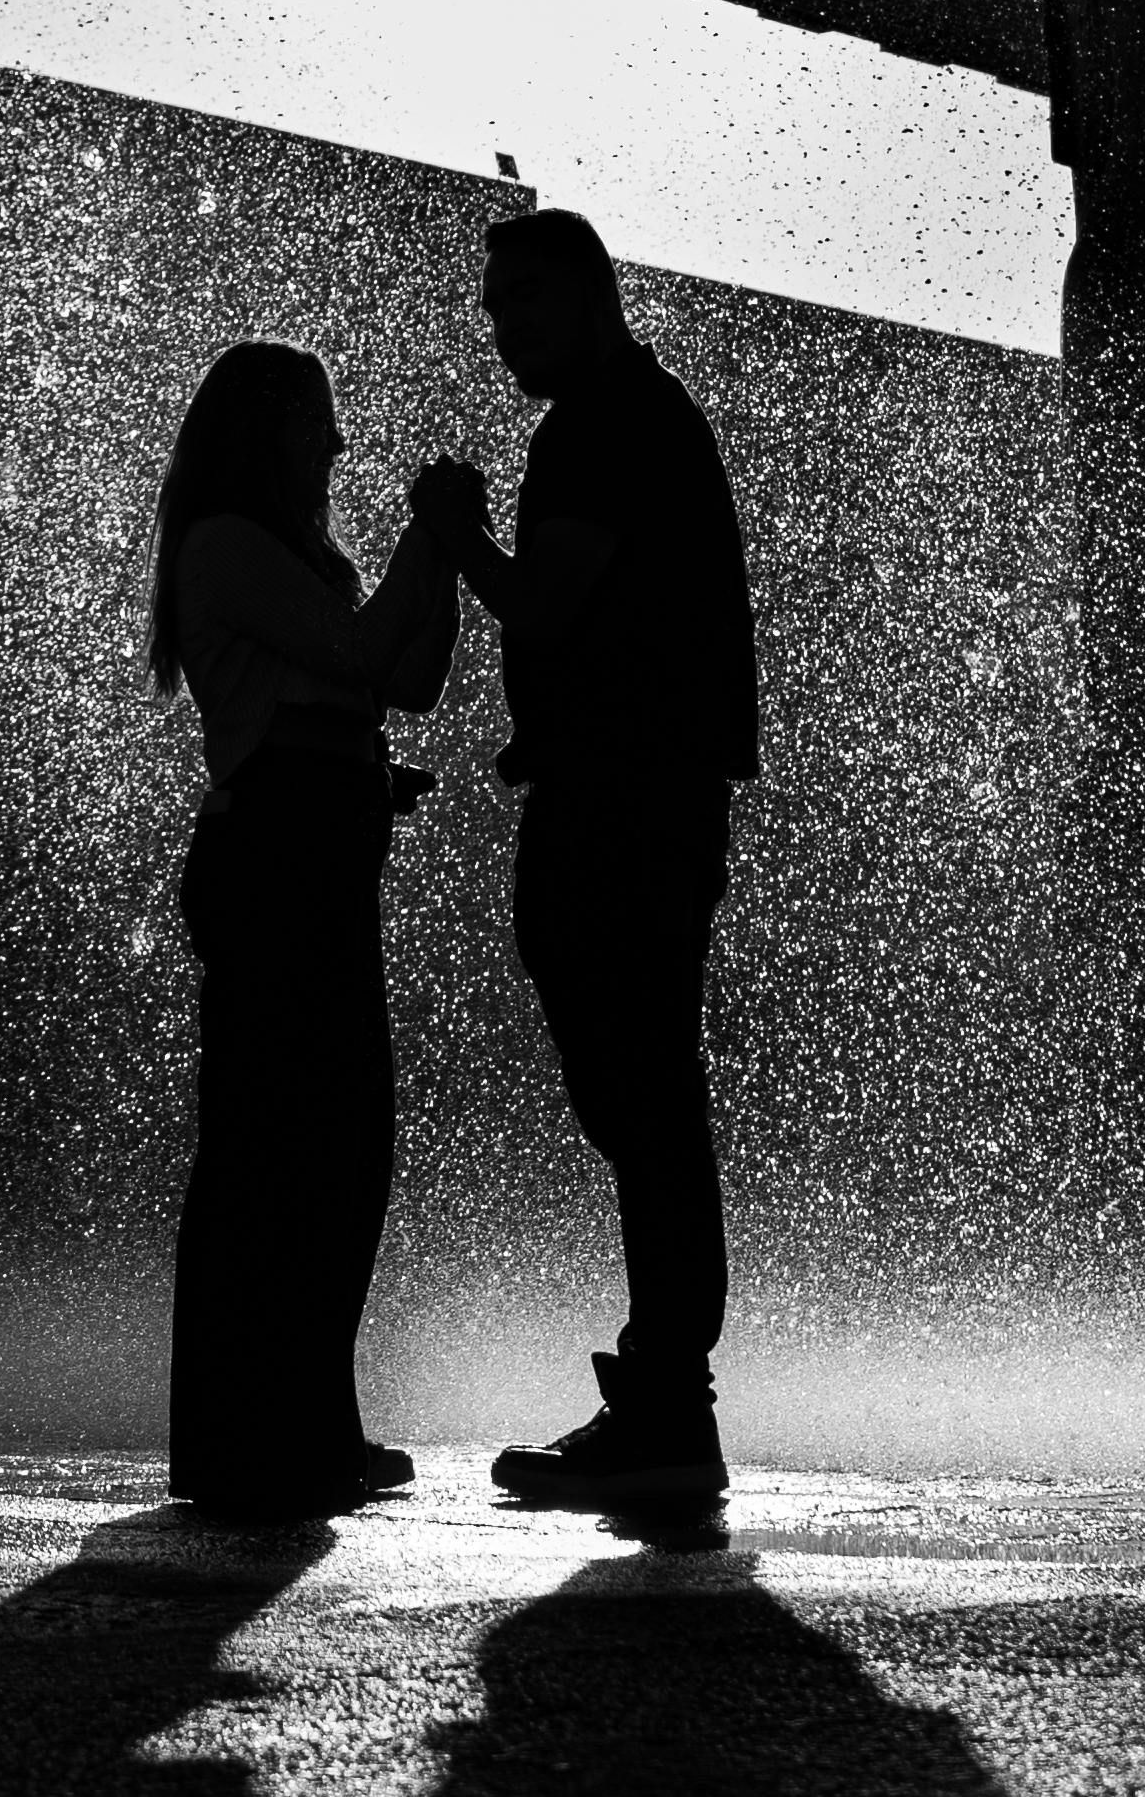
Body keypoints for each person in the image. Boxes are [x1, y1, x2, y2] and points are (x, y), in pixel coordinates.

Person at [424, 205, 760, 1501]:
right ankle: (666, 1399)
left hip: (623, 801)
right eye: (491, 305)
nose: (497, 327)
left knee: (641, 1092)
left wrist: (453, 530)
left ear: (582, 293)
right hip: (639, 791)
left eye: (517, 298)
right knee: (640, 1089)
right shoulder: (642, 414)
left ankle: (666, 1406)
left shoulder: (599, 425)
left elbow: (547, 605)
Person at [149, 337, 460, 1515]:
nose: (334, 442)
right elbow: (373, 655)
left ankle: (300, 1424)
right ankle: (246, 1439)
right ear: (264, 430)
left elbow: (408, 680)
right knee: (275, 1150)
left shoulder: (295, 559)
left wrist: (436, 552)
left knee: (333, 1146)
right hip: (274, 862)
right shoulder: (225, 545)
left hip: (311, 854)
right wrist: (429, 536)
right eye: (314, 419)